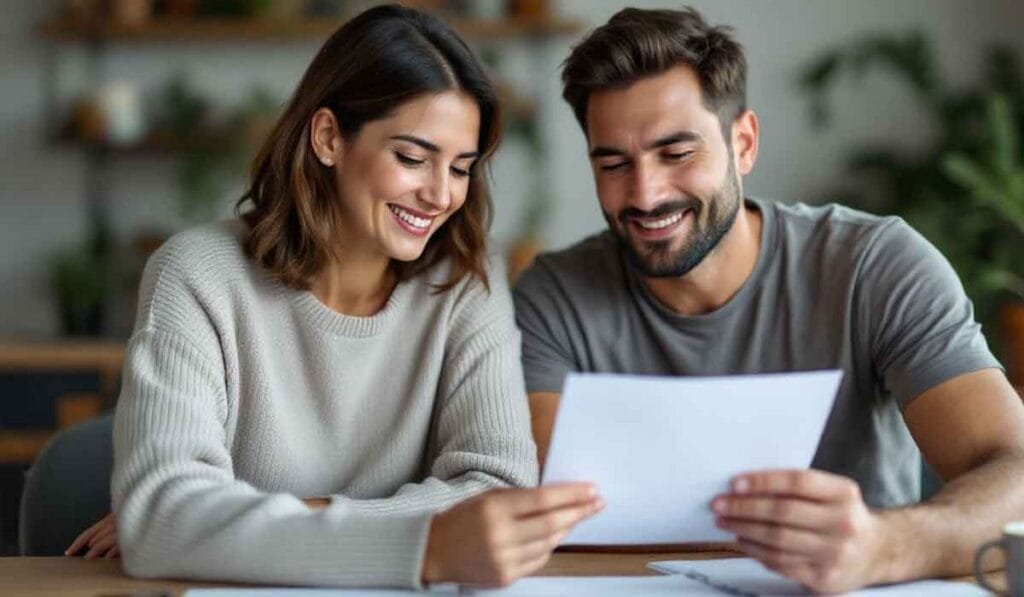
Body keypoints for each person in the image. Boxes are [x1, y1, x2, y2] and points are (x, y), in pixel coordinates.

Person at [65, 4, 604, 588]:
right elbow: (166, 522)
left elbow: (499, 489)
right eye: (412, 158)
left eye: (461, 168)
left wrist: (263, 521)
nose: (440, 195)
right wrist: (428, 544)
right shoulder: (196, 276)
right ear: (328, 138)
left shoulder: (466, 279)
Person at [513, 6, 1024, 593]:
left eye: (677, 154)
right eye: (613, 163)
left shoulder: (873, 266)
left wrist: (883, 546)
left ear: (744, 143)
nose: (646, 193)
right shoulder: (552, 298)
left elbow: (1015, 469)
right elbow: (543, 507)